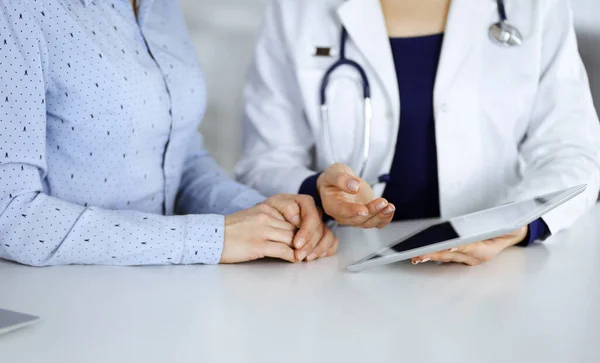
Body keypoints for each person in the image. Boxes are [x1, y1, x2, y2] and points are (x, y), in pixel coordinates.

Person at [236, 0, 600, 265]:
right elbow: (264, 160)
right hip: (338, 267)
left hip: (496, 269)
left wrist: (516, 225)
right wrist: (318, 190)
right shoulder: (296, 10)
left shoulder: (536, 8)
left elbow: (573, 150)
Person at [0, 0, 337, 267]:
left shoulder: (160, 7)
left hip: (163, 292)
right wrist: (211, 239)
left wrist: (269, 217)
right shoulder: (17, 11)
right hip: (63, 305)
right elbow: (10, 215)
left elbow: (183, 162)